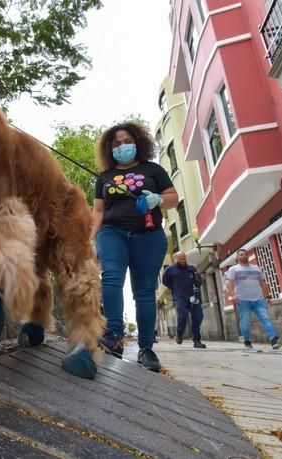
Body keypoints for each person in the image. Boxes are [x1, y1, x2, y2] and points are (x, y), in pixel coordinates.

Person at [91, 122, 179, 371]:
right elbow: (98, 211)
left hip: (149, 235)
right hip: (112, 232)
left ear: (137, 142)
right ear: (110, 148)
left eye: (126, 141)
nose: (122, 146)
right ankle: (114, 335)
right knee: (111, 277)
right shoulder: (105, 176)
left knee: (143, 292)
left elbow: (173, 198)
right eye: (116, 143)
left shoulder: (153, 170)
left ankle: (146, 349)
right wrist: (91, 239)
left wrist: (158, 199)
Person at [226, 249, 282, 349]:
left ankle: (273, 339)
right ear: (237, 258)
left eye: (245, 254)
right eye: (241, 255)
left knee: (265, 318)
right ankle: (247, 340)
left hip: (258, 299)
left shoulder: (256, 268)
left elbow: (263, 282)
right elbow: (229, 283)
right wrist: (233, 295)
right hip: (243, 300)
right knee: (245, 320)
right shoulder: (234, 269)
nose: (244, 256)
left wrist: (267, 296)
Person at [162, 251, 207, 349]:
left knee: (198, 316)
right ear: (176, 259)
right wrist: (174, 287)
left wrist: (198, 280)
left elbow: (199, 280)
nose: (183, 260)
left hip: (194, 296)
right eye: (180, 258)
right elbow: (165, 281)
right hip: (180, 296)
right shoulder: (170, 269)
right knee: (182, 315)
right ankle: (179, 333)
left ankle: (197, 341)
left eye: (184, 258)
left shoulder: (192, 268)